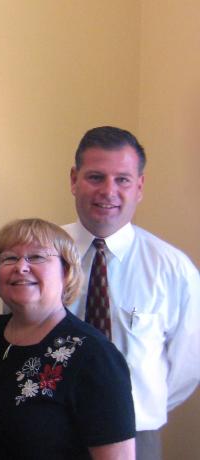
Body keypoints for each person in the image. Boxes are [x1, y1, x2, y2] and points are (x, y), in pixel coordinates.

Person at [64, 126, 200, 460]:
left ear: (139, 187)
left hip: (136, 435)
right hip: (49, 426)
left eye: (122, 180)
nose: (108, 191)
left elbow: (187, 365)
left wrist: (134, 406)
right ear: (74, 180)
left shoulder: (173, 269)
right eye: (96, 177)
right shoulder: (38, 255)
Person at [0, 218, 135, 459]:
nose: (21, 267)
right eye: (9, 258)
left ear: (66, 271)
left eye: (36, 257)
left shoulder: (96, 356)